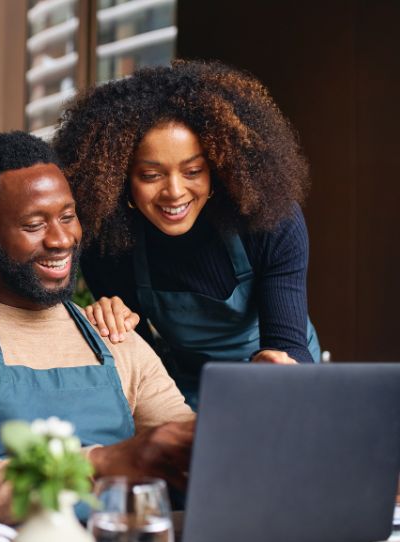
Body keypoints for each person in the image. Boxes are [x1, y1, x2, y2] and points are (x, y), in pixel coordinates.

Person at [0, 131, 194, 524]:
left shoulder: (113, 332)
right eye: (35, 225)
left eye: (68, 216)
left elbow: (184, 440)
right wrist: (103, 461)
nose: (62, 239)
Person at [53, 60, 321, 409]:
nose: (175, 192)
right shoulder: (109, 244)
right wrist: (112, 326)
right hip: (189, 388)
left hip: (279, 378)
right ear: (119, 180)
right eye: (151, 176)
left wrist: (277, 366)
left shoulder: (269, 221)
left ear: (218, 168)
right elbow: (143, 364)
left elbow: (289, 343)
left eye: (193, 170)